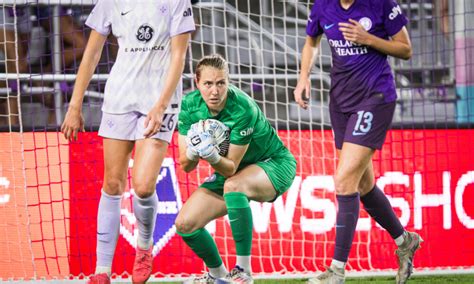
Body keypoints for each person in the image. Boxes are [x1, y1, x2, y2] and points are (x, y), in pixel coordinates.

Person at [60, 1, 195, 283]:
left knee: (144, 186)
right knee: (112, 184)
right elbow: (92, 53)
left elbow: (179, 57)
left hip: (160, 101)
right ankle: (102, 271)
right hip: (120, 97)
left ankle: (144, 249)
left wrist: (161, 105)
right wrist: (75, 105)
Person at [294, 0, 422, 283]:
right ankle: (405, 242)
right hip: (340, 101)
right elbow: (311, 41)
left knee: (343, 181)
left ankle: (336, 271)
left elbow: (405, 49)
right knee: (362, 184)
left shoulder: (380, 4)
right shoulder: (322, 6)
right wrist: (303, 78)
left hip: (375, 98)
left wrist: (369, 39)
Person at [175, 54, 297, 284]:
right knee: (185, 224)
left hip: (273, 163)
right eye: (208, 84)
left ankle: (243, 270)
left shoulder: (242, 108)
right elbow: (185, 165)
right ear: (197, 82)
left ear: (228, 82)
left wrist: (210, 154)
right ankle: (217, 276)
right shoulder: (190, 106)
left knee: (234, 185)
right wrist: (193, 151)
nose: (214, 91)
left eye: (221, 83)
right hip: (235, 171)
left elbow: (230, 169)